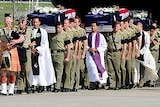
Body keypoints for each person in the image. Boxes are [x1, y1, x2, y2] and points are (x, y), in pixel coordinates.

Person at [29, 16, 56, 93]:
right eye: (33, 22)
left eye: (36, 22)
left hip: (40, 54)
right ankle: (33, 84)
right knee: (33, 68)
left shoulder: (43, 32)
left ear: (39, 23)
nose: (35, 23)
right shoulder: (30, 31)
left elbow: (44, 44)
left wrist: (37, 49)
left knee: (41, 69)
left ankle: (41, 84)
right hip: (32, 53)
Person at [0, 13, 21, 95]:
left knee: (12, 72)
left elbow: (22, 38)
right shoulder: (1, 30)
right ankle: (4, 89)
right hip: (4, 51)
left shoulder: (15, 30)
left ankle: (11, 89)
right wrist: (5, 45)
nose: (6, 20)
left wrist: (15, 41)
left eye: (8, 18)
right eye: (5, 18)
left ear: (12, 20)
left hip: (13, 51)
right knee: (3, 72)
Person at [135, 22, 158, 88]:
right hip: (137, 53)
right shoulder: (135, 34)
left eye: (138, 27)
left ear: (141, 27)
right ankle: (138, 81)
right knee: (138, 68)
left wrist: (140, 52)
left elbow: (147, 45)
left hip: (144, 52)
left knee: (149, 66)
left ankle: (148, 81)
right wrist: (137, 51)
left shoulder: (146, 34)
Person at [86, 20, 108, 90]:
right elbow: (84, 45)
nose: (92, 28)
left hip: (98, 55)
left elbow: (104, 45)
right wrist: (89, 48)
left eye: (94, 26)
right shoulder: (87, 35)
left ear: (97, 27)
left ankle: (101, 83)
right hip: (90, 55)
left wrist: (97, 49)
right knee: (92, 68)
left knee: (99, 68)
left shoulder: (100, 36)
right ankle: (93, 82)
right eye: (91, 26)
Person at [50, 22, 70, 93]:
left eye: (59, 27)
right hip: (53, 53)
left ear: (62, 27)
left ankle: (57, 87)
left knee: (59, 71)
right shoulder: (53, 35)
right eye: (57, 27)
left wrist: (67, 56)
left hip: (60, 53)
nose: (57, 29)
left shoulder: (65, 35)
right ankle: (54, 85)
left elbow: (68, 47)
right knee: (53, 71)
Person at [16, 16, 32, 94]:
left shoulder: (29, 31)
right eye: (21, 23)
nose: (22, 24)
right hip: (19, 50)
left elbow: (34, 40)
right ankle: (20, 86)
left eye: (24, 23)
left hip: (27, 50)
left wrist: (32, 45)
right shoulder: (16, 31)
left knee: (27, 69)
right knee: (19, 70)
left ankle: (28, 85)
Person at [106, 21, 124, 90]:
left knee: (117, 69)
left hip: (117, 52)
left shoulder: (121, 35)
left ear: (119, 27)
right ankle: (112, 84)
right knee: (110, 69)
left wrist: (123, 54)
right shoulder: (109, 35)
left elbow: (124, 45)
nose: (116, 28)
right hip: (110, 52)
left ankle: (119, 84)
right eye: (115, 26)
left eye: (117, 26)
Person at [73, 16, 87, 92]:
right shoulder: (71, 30)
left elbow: (84, 42)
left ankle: (80, 83)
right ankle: (75, 84)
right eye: (73, 22)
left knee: (80, 69)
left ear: (79, 23)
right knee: (74, 68)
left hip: (79, 51)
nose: (74, 23)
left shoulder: (81, 31)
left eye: (76, 22)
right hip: (73, 51)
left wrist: (83, 53)